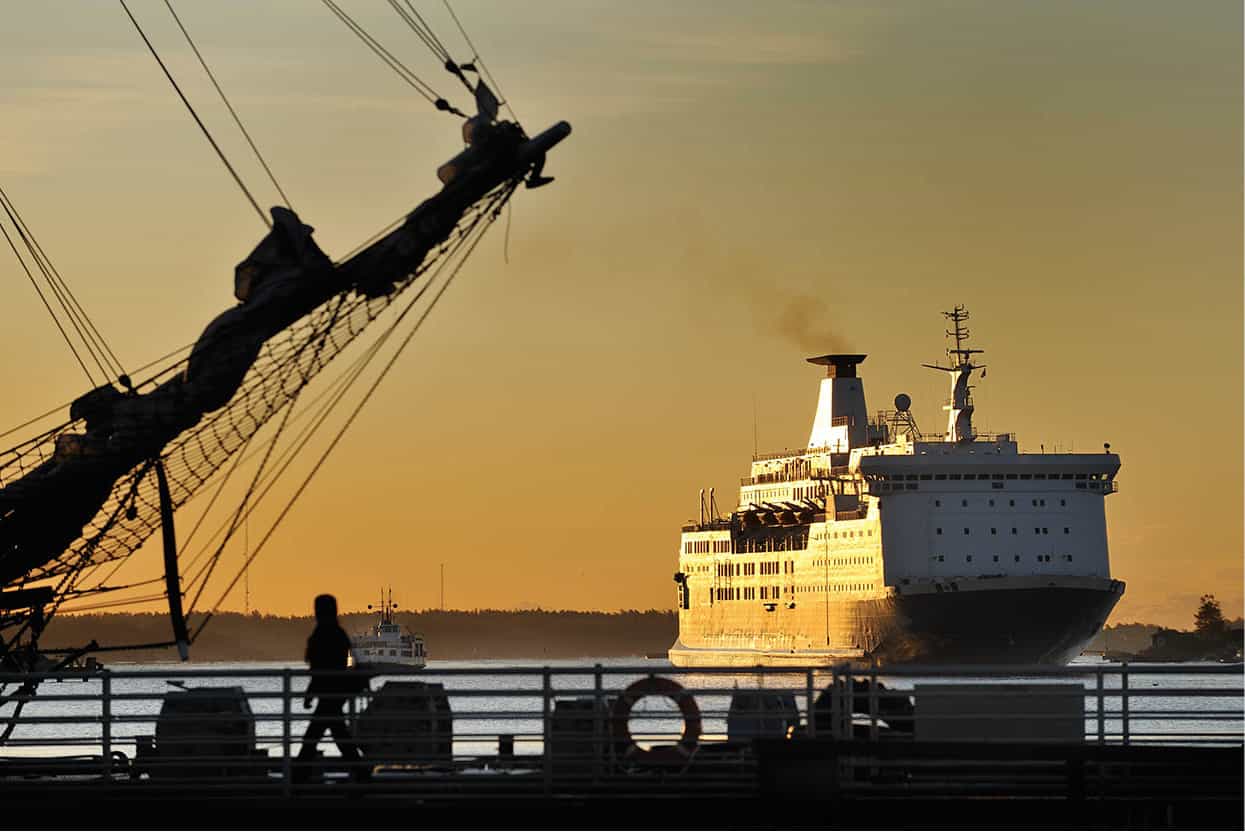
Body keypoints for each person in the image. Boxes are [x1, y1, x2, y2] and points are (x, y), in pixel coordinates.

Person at [294, 593, 368, 782]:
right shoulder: (338, 634)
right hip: (338, 690)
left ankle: (299, 776)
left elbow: (318, 667)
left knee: (316, 735)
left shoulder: (322, 634)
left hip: (329, 691)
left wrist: (310, 693)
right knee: (337, 733)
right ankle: (360, 773)